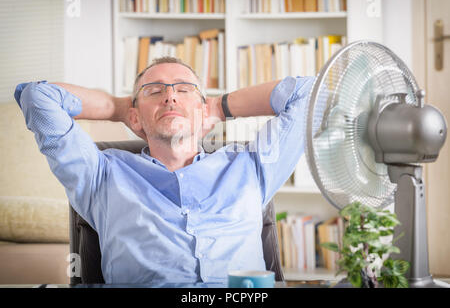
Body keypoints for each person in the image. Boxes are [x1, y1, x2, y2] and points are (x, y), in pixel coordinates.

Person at [14, 56, 315, 284]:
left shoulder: (250, 165)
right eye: (154, 91)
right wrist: (122, 109)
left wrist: (220, 107)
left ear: (203, 109)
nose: (170, 97)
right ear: (134, 118)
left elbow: (311, 93)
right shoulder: (100, 175)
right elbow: (38, 98)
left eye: (184, 90)